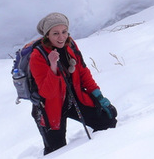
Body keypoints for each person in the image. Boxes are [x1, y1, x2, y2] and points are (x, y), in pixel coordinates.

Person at [29, 12, 117, 155]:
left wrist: (99, 97)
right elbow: (47, 93)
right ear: (47, 35)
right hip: (49, 108)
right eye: (55, 33)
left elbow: (83, 72)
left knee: (107, 121)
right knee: (56, 152)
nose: (61, 37)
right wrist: (52, 66)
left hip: (72, 98)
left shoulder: (71, 45)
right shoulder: (37, 56)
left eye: (64, 32)